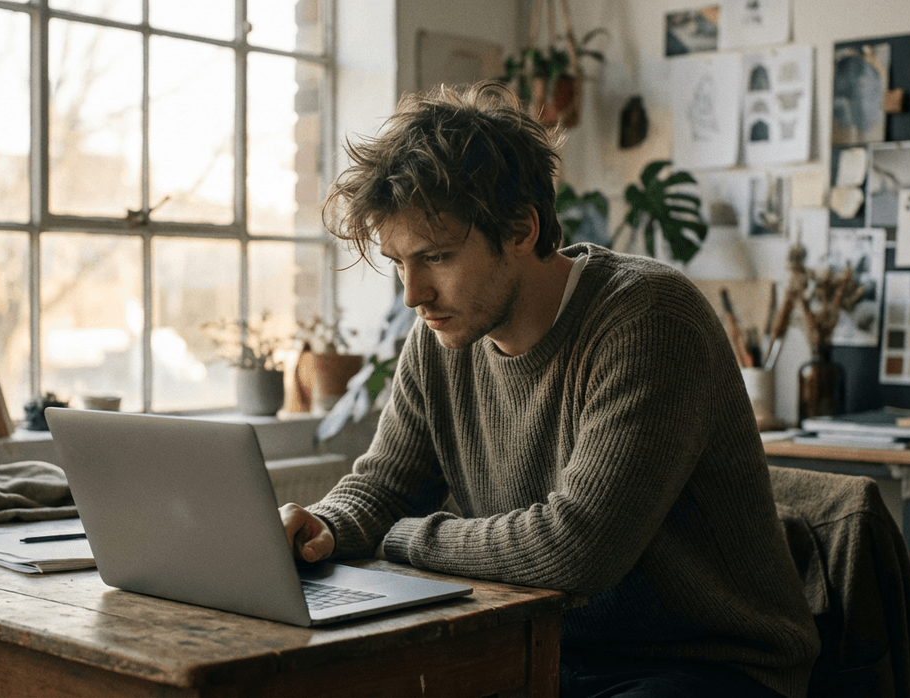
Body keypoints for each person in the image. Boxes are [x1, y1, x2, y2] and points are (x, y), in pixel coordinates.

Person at [279, 82, 819, 697]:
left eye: (437, 257)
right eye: (399, 262)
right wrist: (321, 525)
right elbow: (384, 487)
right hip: (545, 649)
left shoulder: (649, 320)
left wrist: (398, 537)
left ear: (522, 229)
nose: (413, 294)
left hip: (707, 665)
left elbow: (575, 549)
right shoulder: (441, 336)